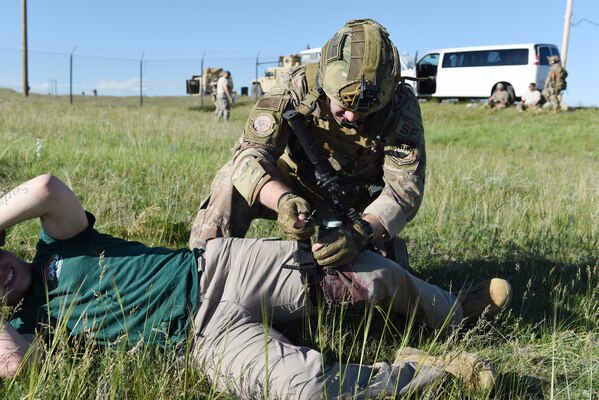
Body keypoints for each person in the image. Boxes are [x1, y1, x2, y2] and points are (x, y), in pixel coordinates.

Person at [0, 174, 512, 397]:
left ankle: (453, 312)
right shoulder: (23, 326)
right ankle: (425, 371)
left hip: (219, 268)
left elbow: (45, 188)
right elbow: (17, 367)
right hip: (202, 344)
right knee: (305, 390)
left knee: (367, 277)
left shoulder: (60, 243)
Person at [190, 19, 426, 269]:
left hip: (356, 208)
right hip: (292, 186)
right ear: (324, 79)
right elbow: (250, 156)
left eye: (367, 111)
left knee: (380, 279)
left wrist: (360, 233)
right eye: (344, 106)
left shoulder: (401, 106)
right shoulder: (298, 84)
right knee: (231, 179)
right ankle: (200, 274)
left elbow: (404, 189)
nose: (352, 117)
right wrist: (282, 201)